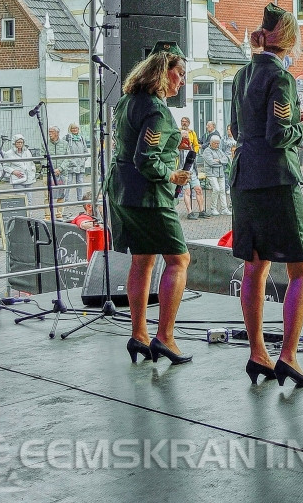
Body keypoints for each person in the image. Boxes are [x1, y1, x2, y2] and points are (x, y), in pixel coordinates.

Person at [231, 4, 303, 388]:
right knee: (302, 268)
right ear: (287, 39)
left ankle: (258, 352)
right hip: (276, 179)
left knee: (255, 267)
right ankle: (288, 355)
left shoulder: (241, 74)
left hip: (243, 177)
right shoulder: (282, 78)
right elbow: (278, 134)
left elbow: (237, 127)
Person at [106, 45, 194, 366]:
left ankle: (139, 334)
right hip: (148, 195)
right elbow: (146, 159)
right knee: (179, 259)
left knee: (142, 261)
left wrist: (174, 140)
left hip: (121, 190)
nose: (182, 80)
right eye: (179, 73)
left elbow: (133, 142)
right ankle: (165, 337)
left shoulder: (128, 101)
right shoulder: (157, 109)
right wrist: (173, 175)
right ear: (162, 71)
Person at [177, 116, 205, 220]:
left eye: (185, 122)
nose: (183, 123)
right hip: (182, 168)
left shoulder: (192, 132)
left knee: (198, 189)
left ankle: (202, 211)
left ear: (188, 123)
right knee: (187, 191)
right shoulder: (177, 132)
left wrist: (194, 152)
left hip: (192, 169)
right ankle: (190, 212)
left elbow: (197, 145)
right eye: (182, 121)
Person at [200, 135, 232, 216]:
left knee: (222, 191)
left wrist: (219, 161)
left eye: (218, 143)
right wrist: (220, 162)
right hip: (211, 173)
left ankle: (224, 208)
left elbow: (226, 160)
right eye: (216, 143)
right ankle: (213, 208)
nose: (217, 145)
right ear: (211, 143)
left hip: (220, 173)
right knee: (216, 189)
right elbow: (211, 162)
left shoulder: (219, 150)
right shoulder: (207, 151)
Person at [43, 126, 69, 218]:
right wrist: (51, 169)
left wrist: (60, 169)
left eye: (52, 132)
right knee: (47, 195)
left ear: (57, 133)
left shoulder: (65, 144)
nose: (50, 133)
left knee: (61, 195)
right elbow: (42, 158)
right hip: (48, 173)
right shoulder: (45, 144)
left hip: (62, 173)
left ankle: (59, 214)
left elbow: (68, 158)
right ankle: (47, 215)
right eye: (49, 131)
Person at [3, 134, 36, 203]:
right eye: (18, 142)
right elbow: (5, 166)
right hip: (18, 180)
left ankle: (30, 214)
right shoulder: (9, 153)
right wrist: (13, 171)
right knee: (21, 200)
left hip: (29, 179)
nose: (20, 144)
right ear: (14, 143)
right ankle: (22, 213)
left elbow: (31, 163)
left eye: (21, 142)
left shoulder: (27, 151)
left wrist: (33, 171)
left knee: (29, 200)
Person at [63, 123, 90, 201]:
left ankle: (80, 199)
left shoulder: (81, 138)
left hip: (80, 164)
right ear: (70, 129)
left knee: (80, 182)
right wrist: (69, 160)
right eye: (73, 128)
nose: (74, 130)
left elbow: (85, 150)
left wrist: (83, 159)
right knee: (68, 182)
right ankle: (66, 200)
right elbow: (64, 151)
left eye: (76, 128)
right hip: (70, 164)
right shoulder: (66, 138)